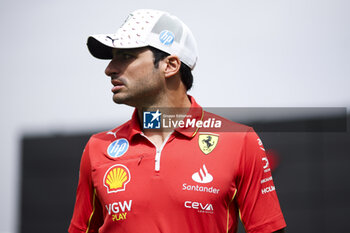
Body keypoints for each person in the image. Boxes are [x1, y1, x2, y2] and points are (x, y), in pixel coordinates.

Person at [68, 9, 286, 233]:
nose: (109, 69)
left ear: (170, 65)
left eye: (126, 56)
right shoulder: (98, 148)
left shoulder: (240, 141)